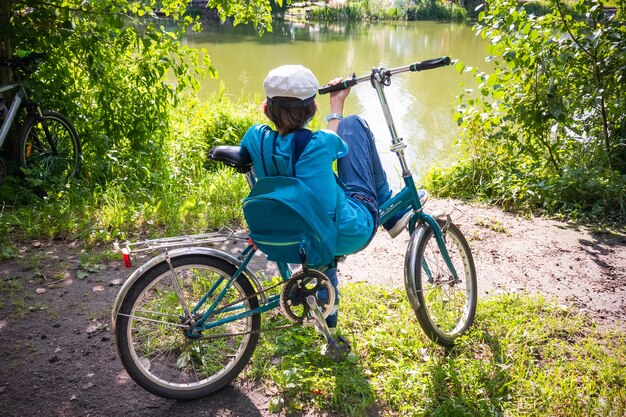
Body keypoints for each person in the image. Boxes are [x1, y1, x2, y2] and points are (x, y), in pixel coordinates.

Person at [240, 65, 426, 333]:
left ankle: (327, 312)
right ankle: (393, 214)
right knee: (354, 124)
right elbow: (340, 142)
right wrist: (337, 104)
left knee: (317, 218)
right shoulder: (321, 143)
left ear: (265, 109)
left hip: (288, 238)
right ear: (313, 109)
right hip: (345, 234)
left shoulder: (255, 137)